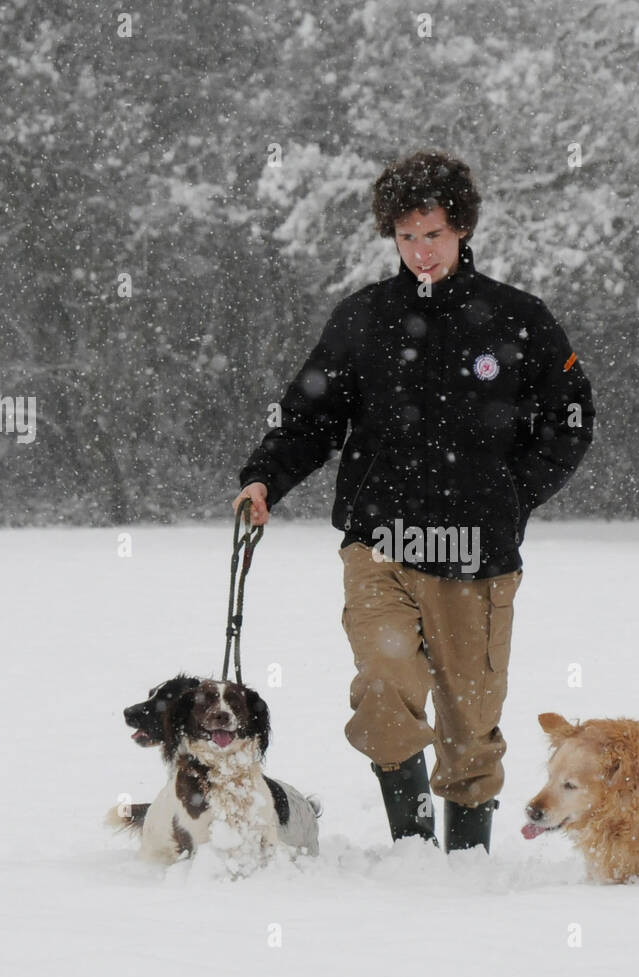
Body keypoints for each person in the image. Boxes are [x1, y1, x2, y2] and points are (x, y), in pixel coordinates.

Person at [232, 149, 593, 853]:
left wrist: (513, 494)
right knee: (384, 689)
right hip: (381, 544)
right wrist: (265, 476)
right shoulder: (364, 318)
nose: (420, 251)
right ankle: (411, 845)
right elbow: (309, 415)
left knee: (471, 719)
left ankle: (465, 859)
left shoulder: (518, 319)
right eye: (406, 237)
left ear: (461, 229)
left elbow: (571, 419)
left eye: (432, 234)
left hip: (477, 554)